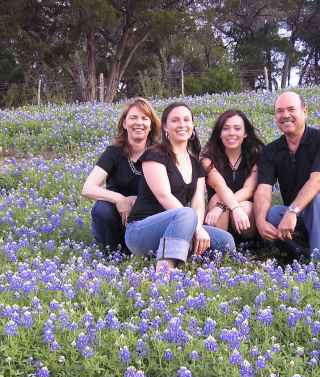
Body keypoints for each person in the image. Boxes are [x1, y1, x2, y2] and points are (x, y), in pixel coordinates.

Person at [125, 102, 236, 273]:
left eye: (186, 120)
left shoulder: (195, 163)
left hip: (181, 227)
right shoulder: (154, 154)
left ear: (192, 125)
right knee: (185, 213)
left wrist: (196, 228)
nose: (182, 124)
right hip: (142, 230)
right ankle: (164, 271)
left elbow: (199, 203)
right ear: (165, 126)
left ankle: (187, 259)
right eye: (175, 120)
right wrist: (196, 228)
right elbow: (164, 196)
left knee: (225, 241)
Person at [254, 91, 320, 260]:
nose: (285, 115)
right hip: (298, 214)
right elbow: (263, 189)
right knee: (273, 214)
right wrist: (260, 221)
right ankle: (306, 253)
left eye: (291, 109)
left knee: (318, 200)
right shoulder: (271, 150)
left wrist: (292, 211)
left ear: (305, 111)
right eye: (280, 111)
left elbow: (318, 181)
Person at [82, 97, 161, 252]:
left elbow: (170, 192)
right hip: (117, 218)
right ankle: (112, 253)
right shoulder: (114, 152)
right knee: (102, 210)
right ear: (124, 123)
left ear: (151, 125)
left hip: (148, 215)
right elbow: (88, 188)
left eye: (145, 118)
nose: (139, 123)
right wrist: (120, 199)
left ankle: (146, 252)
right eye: (133, 118)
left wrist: (138, 200)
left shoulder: (160, 154)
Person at [201, 109, 264, 240]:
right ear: (219, 133)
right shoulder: (208, 159)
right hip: (218, 217)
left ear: (245, 133)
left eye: (237, 128)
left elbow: (249, 190)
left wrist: (225, 207)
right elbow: (220, 186)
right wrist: (228, 207)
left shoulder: (254, 157)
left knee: (245, 206)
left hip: (244, 218)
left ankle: (246, 248)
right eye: (226, 128)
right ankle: (222, 248)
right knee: (217, 197)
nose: (231, 133)